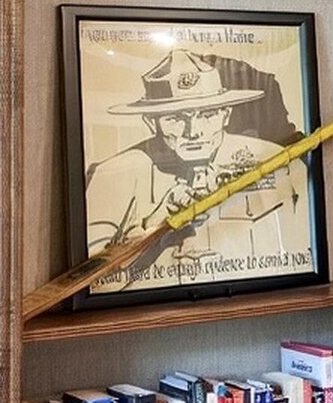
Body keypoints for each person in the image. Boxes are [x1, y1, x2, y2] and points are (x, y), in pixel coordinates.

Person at [82, 49, 309, 291]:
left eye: (207, 114)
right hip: (157, 309)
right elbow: (91, 285)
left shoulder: (275, 161)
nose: (194, 131)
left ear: (226, 115)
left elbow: (304, 253)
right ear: (151, 121)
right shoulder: (112, 176)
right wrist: (153, 226)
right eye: (175, 118)